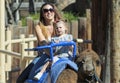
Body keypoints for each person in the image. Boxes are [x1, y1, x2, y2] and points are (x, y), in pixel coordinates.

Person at [16, 2, 62, 83]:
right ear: (42, 14)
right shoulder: (39, 27)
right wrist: (52, 55)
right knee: (20, 79)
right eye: (46, 10)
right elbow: (43, 43)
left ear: (54, 12)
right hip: (44, 56)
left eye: (51, 10)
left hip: (61, 55)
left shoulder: (60, 24)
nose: (49, 12)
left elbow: (66, 37)